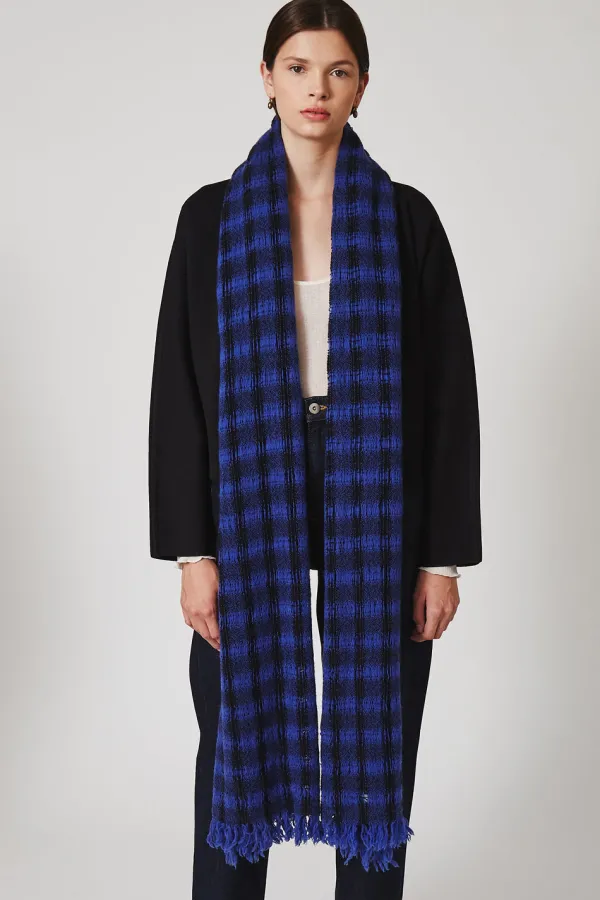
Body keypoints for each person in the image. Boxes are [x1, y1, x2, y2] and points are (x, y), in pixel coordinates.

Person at [148, 1, 482, 897]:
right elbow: (179, 390)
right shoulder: (211, 220)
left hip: (375, 484)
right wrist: (192, 552)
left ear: (362, 86)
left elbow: (449, 396)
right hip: (250, 482)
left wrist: (442, 559)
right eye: (298, 68)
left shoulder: (406, 221)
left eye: (337, 71)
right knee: (233, 723)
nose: (317, 89)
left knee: (383, 721)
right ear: (267, 78)